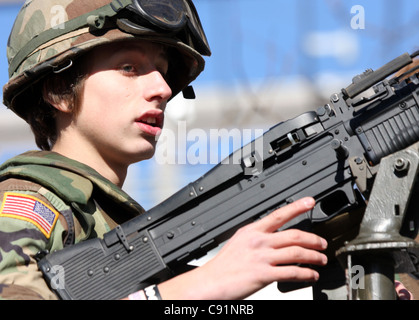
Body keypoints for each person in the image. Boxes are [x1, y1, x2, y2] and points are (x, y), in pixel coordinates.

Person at [0, 0, 329, 300]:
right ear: (59, 89)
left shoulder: (105, 216)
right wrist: (197, 287)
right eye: (129, 68)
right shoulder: (29, 201)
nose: (162, 88)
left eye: (163, 70)